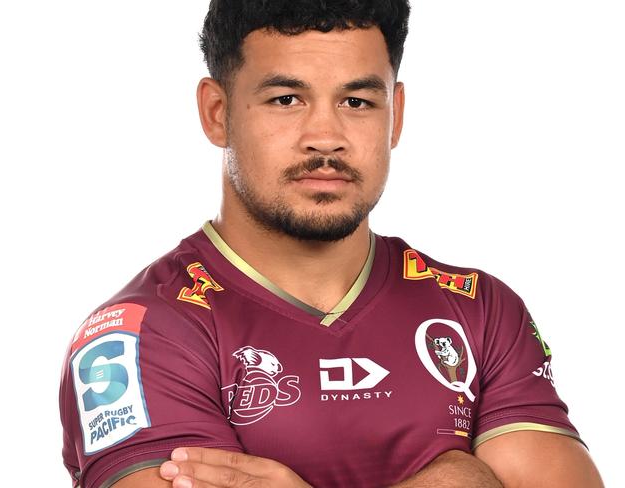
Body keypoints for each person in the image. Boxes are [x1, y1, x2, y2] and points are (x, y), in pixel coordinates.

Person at [59, 1, 604, 487]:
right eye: (287, 98)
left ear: (397, 114)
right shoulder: (140, 336)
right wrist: (463, 476)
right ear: (217, 112)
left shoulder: (480, 309)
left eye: (358, 102)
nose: (326, 136)